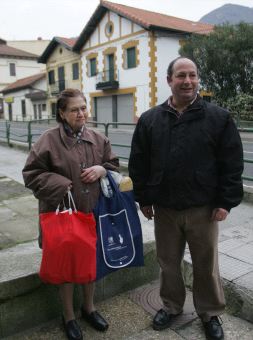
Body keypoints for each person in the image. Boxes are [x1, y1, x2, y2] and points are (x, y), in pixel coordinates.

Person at [128, 57, 243, 340]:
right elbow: (138, 163)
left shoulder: (218, 118)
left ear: (197, 79)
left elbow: (232, 163)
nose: (188, 81)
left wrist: (225, 201)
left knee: (206, 265)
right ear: (169, 80)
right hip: (165, 208)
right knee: (168, 263)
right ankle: (171, 306)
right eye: (181, 75)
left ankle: (210, 313)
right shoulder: (150, 119)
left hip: (203, 208)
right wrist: (143, 199)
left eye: (192, 75)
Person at [23, 88, 119, 340]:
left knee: (90, 263)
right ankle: (68, 316)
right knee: (66, 268)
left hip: (92, 213)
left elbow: (112, 164)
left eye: (84, 107)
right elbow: (31, 174)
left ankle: (89, 308)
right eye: (74, 109)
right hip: (61, 215)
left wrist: (101, 169)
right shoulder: (47, 140)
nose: (81, 113)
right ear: (62, 113)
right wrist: (61, 184)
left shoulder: (98, 138)